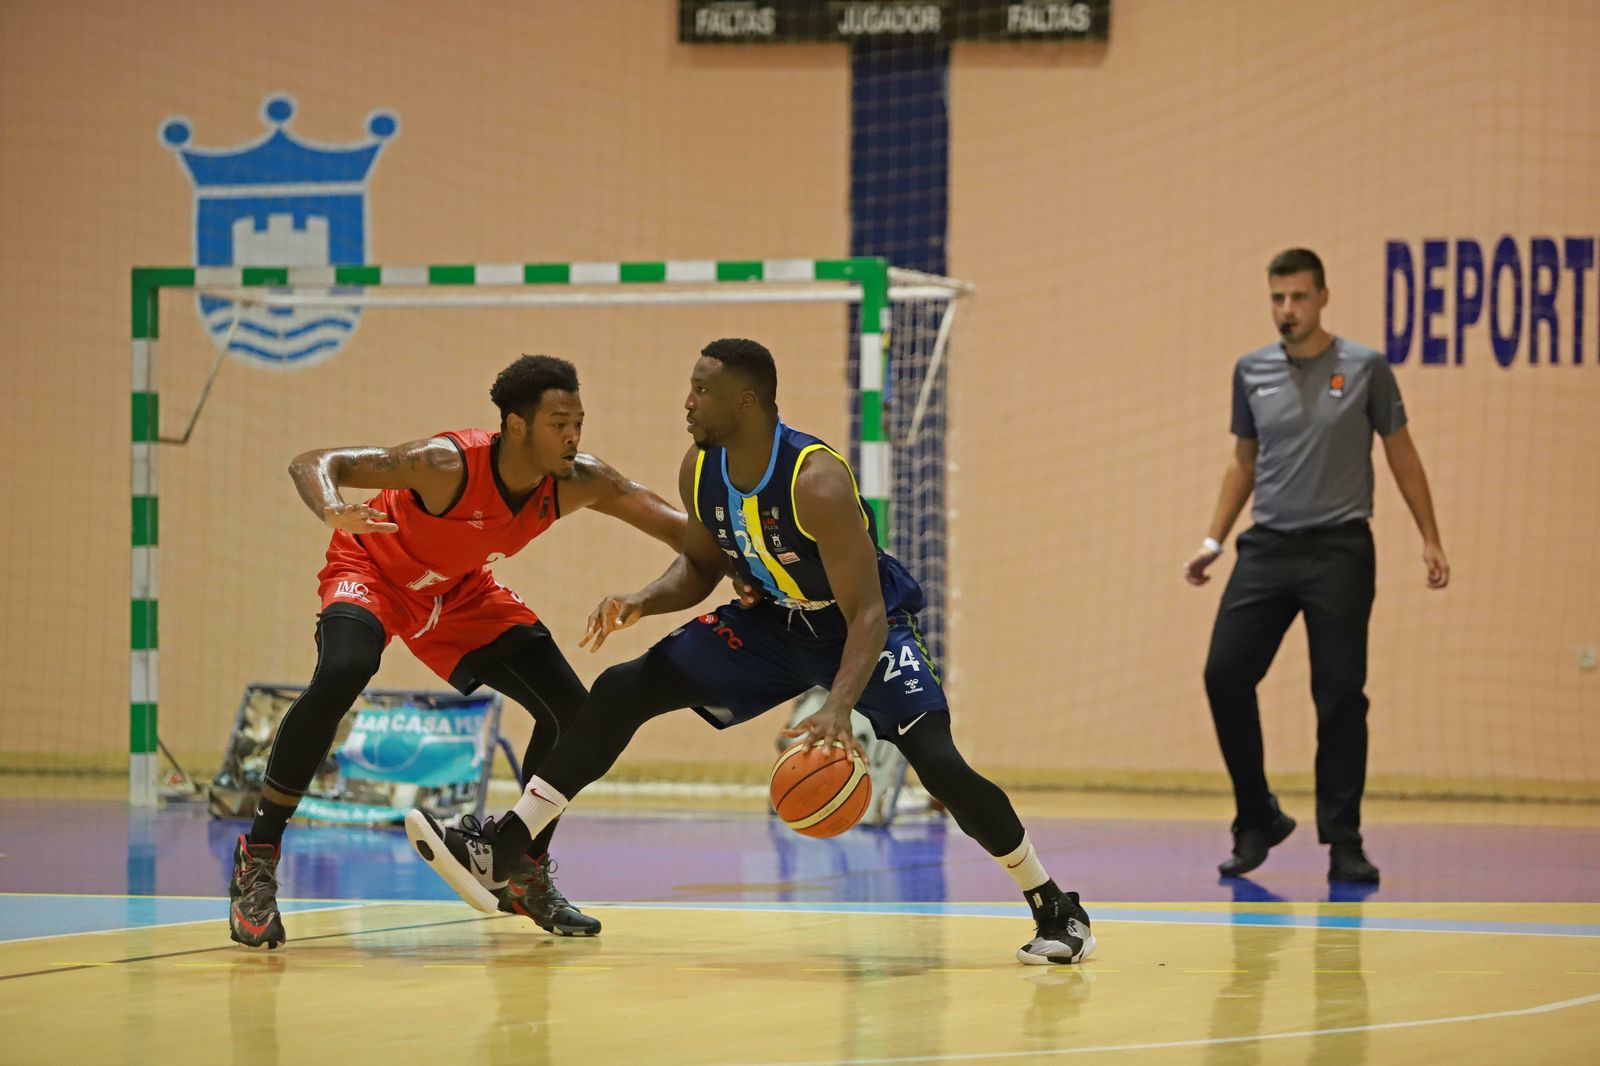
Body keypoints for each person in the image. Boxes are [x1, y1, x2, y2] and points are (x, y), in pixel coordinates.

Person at [405, 338, 1094, 966]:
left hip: (857, 629)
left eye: (700, 390)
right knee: (622, 687)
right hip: (770, 630)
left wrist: (838, 707)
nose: (687, 402)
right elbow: (700, 569)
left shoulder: (816, 481)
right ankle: (504, 844)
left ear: (746, 401)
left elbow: (869, 612)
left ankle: (1054, 905)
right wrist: (643, 599)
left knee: (939, 764)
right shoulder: (700, 468)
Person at [229, 355, 687, 949]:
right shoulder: (445, 464)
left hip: (461, 591)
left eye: (579, 422)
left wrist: (751, 562)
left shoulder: (579, 481)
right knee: (345, 669)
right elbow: (316, 462)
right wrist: (331, 506)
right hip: (373, 571)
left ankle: (520, 868)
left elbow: (682, 530)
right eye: (558, 423)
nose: (573, 436)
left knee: (579, 716)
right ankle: (259, 856)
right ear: (516, 427)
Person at [1184, 249, 1449, 884]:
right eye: (1277, 298)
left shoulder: (1366, 368)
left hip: (1340, 550)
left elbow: (1403, 454)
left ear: (1323, 297)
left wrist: (1430, 538)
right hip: (1268, 547)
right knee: (1224, 675)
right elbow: (1242, 461)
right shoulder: (1251, 371)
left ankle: (1345, 840)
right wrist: (1214, 542)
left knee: (1338, 696)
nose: (1287, 310)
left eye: (1299, 298)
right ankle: (1258, 818)